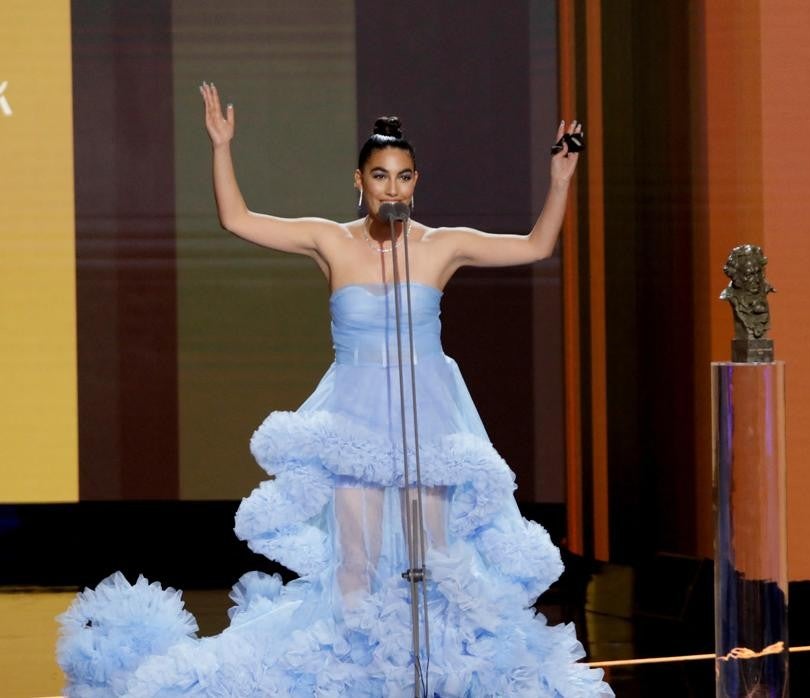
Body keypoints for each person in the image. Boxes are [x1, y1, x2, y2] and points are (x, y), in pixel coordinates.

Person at [56, 82, 611, 697]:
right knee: (356, 562)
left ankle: (431, 678)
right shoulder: (330, 240)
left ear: (416, 183)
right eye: (380, 176)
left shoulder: (440, 245)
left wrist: (560, 178)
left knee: (436, 559)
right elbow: (237, 220)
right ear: (359, 180)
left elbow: (536, 246)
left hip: (427, 417)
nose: (391, 189)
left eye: (403, 177)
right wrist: (221, 146)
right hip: (353, 422)